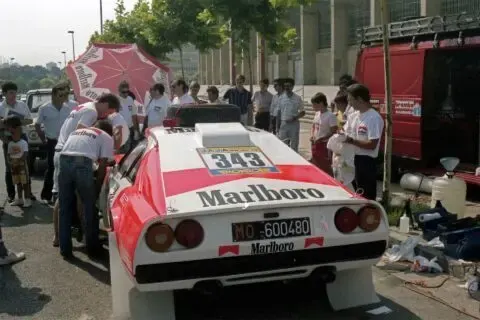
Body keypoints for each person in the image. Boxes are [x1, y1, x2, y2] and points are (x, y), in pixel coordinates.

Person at [51, 94, 120, 247]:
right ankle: (90, 241)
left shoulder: (85, 106)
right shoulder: (92, 112)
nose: (105, 115)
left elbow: (77, 135)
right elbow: (80, 134)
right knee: (86, 201)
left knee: (63, 200)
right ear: (105, 103)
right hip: (74, 155)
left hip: (62, 152)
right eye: (108, 111)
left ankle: (59, 238)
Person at [58, 120, 114, 259]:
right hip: (82, 164)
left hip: (63, 160)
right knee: (89, 207)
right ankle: (93, 248)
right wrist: (97, 189)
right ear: (109, 132)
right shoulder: (106, 137)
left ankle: (65, 249)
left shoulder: (78, 131)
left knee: (64, 208)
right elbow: (102, 168)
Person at [344, 84, 384, 201]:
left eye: (350, 100)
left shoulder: (373, 118)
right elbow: (346, 132)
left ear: (360, 99)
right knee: (354, 192)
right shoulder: (353, 116)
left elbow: (372, 144)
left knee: (366, 195)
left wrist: (351, 140)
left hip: (365, 162)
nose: (349, 104)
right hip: (351, 158)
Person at [36, 84, 72, 204]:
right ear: (53, 95)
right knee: (52, 168)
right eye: (60, 95)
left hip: (66, 142)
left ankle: (62, 195)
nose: (63, 97)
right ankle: (46, 196)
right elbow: (37, 125)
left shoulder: (68, 108)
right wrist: (43, 140)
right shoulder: (44, 108)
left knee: (65, 169)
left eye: (65, 95)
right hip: (52, 142)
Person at [0, 82, 35, 203]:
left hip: (22, 138)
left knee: (24, 167)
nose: (13, 95)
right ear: (4, 93)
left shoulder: (22, 105)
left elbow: (30, 120)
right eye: (11, 92)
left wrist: (17, 122)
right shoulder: (1, 107)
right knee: (10, 168)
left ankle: (28, 193)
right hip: (7, 139)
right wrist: (4, 131)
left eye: (15, 92)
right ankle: (12, 195)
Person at [6, 116, 32, 207]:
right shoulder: (10, 143)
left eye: (13, 132)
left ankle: (27, 199)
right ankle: (20, 199)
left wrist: (18, 160)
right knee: (17, 182)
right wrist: (10, 161)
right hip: (14, 165)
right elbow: (8, 154)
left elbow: (25, 154)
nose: (11, 134)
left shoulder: (23, 142)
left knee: (25, 182)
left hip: (22, 165)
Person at [310, 93, 337, 175]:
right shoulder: (317, 114)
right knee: (316, 165)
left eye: (314, 104)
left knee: (325, 167)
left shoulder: (330, 116)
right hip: (315, 144)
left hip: (325, 145)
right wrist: (312, 135)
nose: (313, 107)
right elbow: (314, 126)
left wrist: (322, 138)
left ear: (321, 103)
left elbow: (333, 131)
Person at [277, 78, 305, 152]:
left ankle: (294, 160)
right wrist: (277, 126)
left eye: (289, 86)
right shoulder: (281, 98)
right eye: (285, 86)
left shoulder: (297, 98)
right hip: (283, 124)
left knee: (294, 145)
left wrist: (295, 117)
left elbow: (303, 112)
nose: (287, 88)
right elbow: (279, 113)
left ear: (292, 86)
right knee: (282, 144)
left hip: (294, 124)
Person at [117, 81, 139, 151]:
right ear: (119, 91)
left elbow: (134, 115)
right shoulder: (116, 100)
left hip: (128, 129)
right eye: (123, 92)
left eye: (127, 91)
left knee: (127, 150)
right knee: (118, 150)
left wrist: (136, 130)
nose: (126, 94)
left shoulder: (130, 99)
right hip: (118, 129)